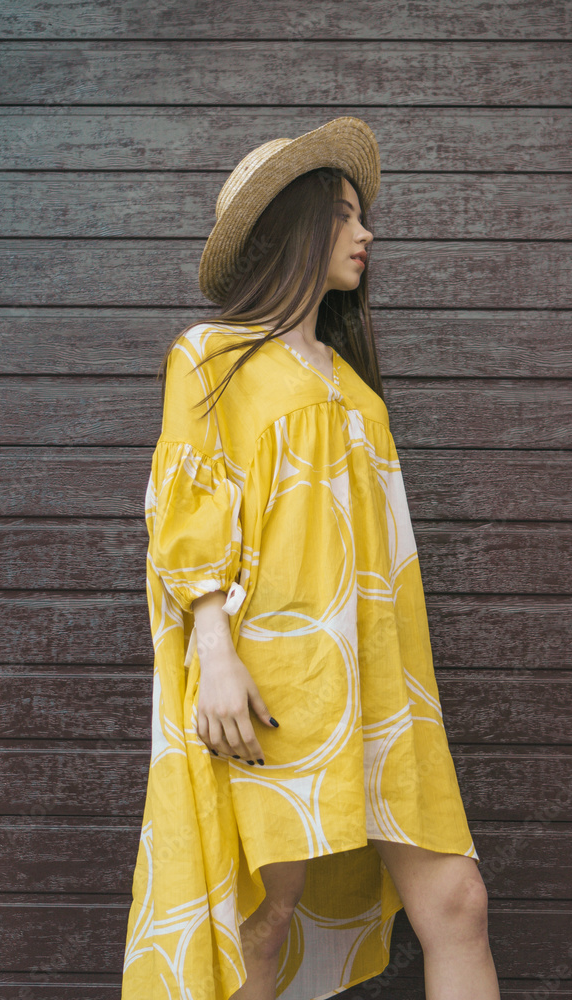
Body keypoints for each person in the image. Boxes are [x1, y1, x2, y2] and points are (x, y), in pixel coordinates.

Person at [122, 116, 501, 1000]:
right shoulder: (209, 356)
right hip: (266, 680)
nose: (365, 233)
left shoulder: (356, 388)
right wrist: (215, 653)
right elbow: (185, 507)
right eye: (342, 213)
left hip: (380, 684)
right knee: (263, 921)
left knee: (458, 902)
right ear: (291, 227)